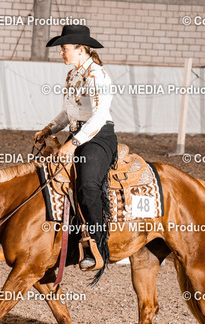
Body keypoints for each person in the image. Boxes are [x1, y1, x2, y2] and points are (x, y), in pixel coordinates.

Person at [34, 25, 118, 274]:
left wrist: (73, 143)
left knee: (88, 185)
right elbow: (67, 112)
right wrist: (49, 128)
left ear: (81, 49)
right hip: (79, 134)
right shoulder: (73, 75)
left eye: (64, 48)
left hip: (98, 137)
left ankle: (97, 246)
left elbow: (100, 116)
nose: (61, 53)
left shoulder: (97, 75)